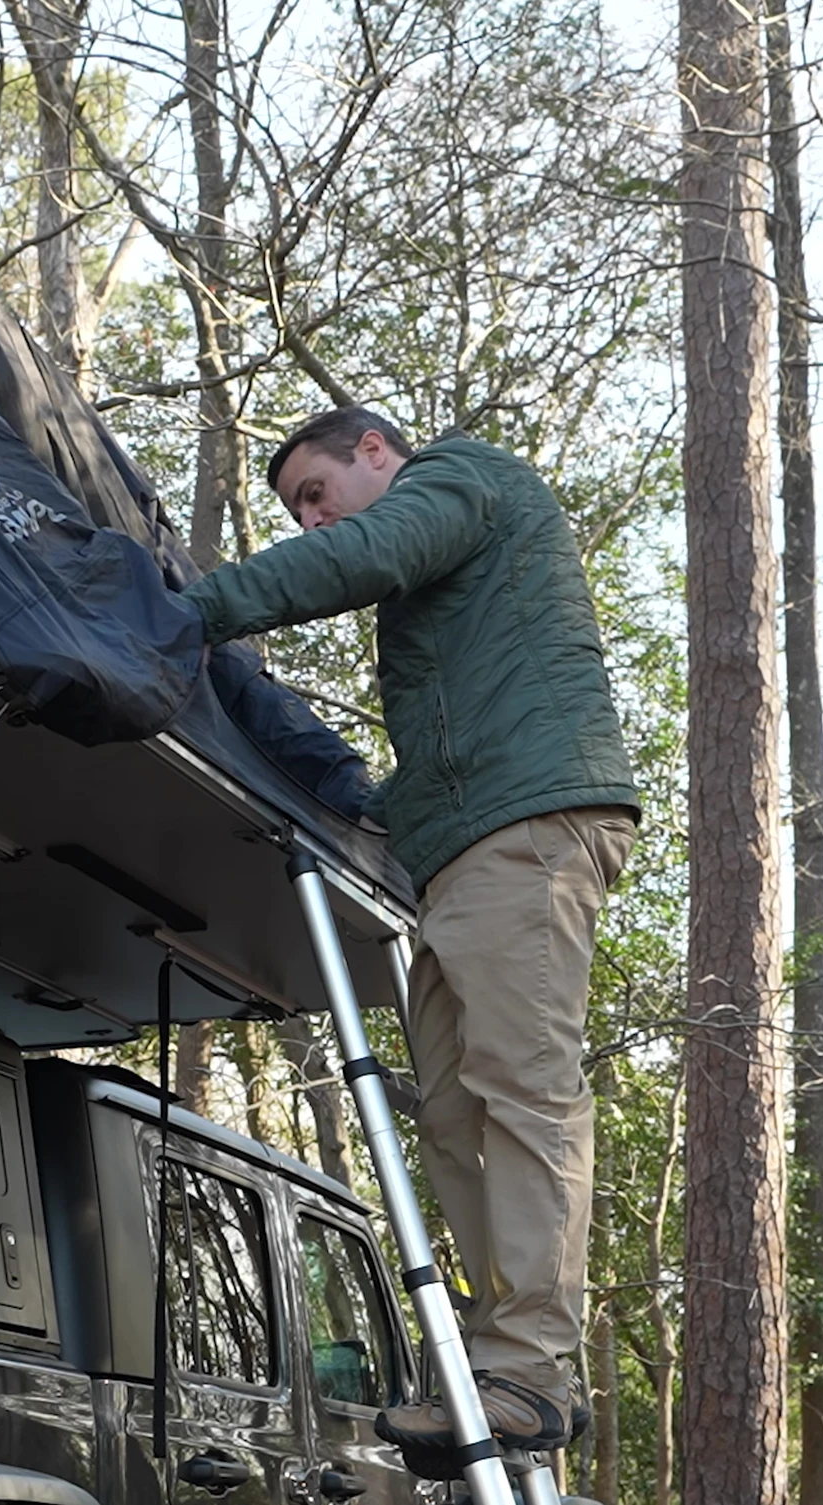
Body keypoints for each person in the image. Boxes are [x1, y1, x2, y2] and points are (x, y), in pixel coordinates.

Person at [179, 407, 638, 1457]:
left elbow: (365, 550)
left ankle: (528, 1362)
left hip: (525, 823)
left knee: (522, 1085)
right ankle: (496, 1363)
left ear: (376, 453)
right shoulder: (444, 603)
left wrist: (180, 611)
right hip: (459, 846)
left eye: (313, 493)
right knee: (453, 1107)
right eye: (298, 508)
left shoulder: (466, 477)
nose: (311, 521)